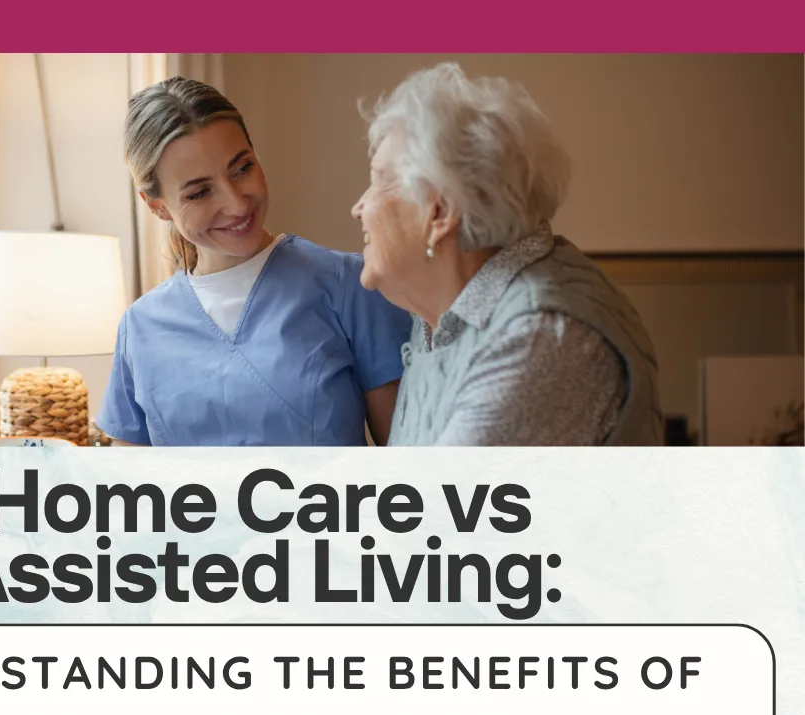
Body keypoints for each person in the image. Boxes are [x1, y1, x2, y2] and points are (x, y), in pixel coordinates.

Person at [352, 63, 664, 446]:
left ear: (439, 212)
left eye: (379, 181)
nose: (359, 207)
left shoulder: (539, 337)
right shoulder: (440, 320)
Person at [97, 77, 411, 447]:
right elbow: (125, 491)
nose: (237, 204)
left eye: (242, 168)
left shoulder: (350, 286)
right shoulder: (140, 328)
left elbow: (406, 465)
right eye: (199, 192)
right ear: (157, 205)